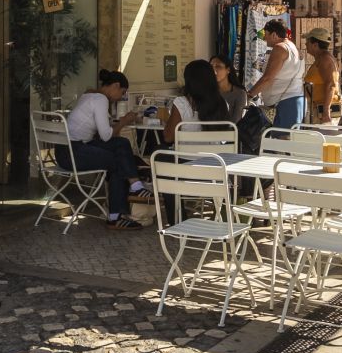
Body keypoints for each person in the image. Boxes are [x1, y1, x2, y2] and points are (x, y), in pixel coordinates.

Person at [63, 69, 151, 230]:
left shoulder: (88, 95)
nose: (122, 97)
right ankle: (117, 214)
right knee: (117, 160)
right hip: (73, 153)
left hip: (68, 149)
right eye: (123, 92)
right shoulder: (101, 99)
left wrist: (116, 124)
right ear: (116, 85)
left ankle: (135, 187)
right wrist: (124, 121)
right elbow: (105, 136)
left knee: (121, 144)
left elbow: (102, 133)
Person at [247, 20, 306, 128]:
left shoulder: (280, 48)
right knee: (284, 140)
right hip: (293, 101)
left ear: (274, 34)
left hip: (285, 103)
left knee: (282, 141)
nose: (264, 39)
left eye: (266, 35)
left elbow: (267, 78)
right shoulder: (294, 48)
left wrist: (249, 95)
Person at [166, 59, 232, 144]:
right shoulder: (222, 103)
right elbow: (224, 138)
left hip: (187, 157)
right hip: (216, 157)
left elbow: (168, 138)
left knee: (158, 149)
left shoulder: (181, 103)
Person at [302, 27, 340, 123]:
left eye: (308, 41)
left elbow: (331, 85)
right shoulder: (321, 58)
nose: (305, 44)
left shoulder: (325, 59)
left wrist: (326, 110)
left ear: (315, 45)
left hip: (322, 111)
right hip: (316, 107)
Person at [209, 55, 247, 124]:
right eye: (211, 66)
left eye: (218, 66)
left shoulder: (239, 93)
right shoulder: (206, 90)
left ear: (228, 70)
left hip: (229, 132)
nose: (213, 70)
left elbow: (236, 121)